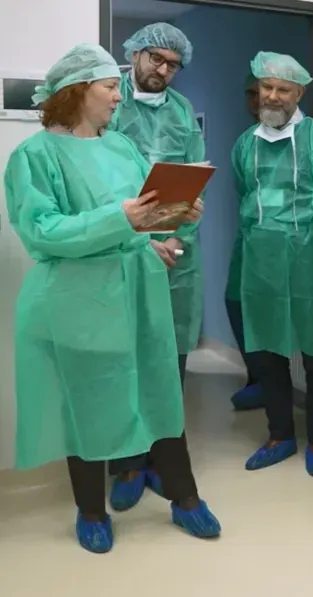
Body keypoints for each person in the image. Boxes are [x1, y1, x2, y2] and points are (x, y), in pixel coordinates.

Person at [3, 44, 221, 554]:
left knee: (160, 391)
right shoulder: (35, 156)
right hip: (80, 297)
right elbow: (43, 231)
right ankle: (91, 510)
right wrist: (120, 219)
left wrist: (173, 220)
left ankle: (185, 497)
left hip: (140, 289)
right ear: (77, 91)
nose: (118, 96)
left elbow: (143, 214)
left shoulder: (121, 146)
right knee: (89, 401)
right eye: (108, 87)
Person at [104, 22, 204, 513]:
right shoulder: (108, 103)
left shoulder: (183, 112)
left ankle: (164, 461)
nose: (163, 70)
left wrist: (174, 239)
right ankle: (128, 462)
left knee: (169, 361)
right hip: (120, 248)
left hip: (174, 254)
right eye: (156, 59)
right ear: (135, 55)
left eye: (173, 65)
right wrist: (141, 243)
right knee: (125, 358)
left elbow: (191, 180)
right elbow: (100, 183)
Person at [230, 51, 313, 476]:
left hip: (311, 255)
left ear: (299, 93)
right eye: (267, 87)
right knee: (267, 352)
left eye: (283, 89)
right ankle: (279, 435)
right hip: (260, 258)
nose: (273, 96)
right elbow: (244, 193)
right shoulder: (246, 144)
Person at [226, 71, 265, 413]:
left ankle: (269, 383)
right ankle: (257, 378)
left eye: (262, 91)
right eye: (250, 93)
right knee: (235, 301)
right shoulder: (244, 143)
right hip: (249, 238)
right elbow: (244, 192)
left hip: (294, 246)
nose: (258, 100)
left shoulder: (311, 140)